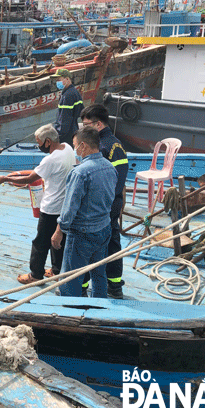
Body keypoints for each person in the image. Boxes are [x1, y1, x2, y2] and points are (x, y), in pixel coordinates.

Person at [0, 124, 75, 284]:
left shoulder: (50, 160)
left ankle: (35, 275)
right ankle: (56, 270)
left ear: (48, 141)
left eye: (39, 142)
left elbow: (29, 179)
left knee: (40, 242)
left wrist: (6, 178)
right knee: (58, 241)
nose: (38, 146)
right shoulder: (68, 148)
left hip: (51, 208)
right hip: (64, 206)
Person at [55, 127, 117, 298]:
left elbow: (69, 209)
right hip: (103, 228)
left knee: (71, 280)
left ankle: (70, 314)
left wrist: (59, 231)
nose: (75, 150)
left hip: (82, 233)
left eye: (75, 146)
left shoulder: (80, 172)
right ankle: (99, 309)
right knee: (99, 274)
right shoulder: (110, 168)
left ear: (82, 146)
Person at [79, 104, 128, 299]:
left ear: (98, 124)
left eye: (86, 125)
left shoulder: (102, 147)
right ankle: (114, 286)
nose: (83, 129)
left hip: (101, 206)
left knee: (87, 244)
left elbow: (103, 181)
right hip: (113, 203)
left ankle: (81, 287)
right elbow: (120, 181)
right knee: (112, 243)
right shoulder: (116, 144)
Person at [52, 68, 84, 145]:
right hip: (74, 129)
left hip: (66, 136)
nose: (57, 82)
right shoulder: (74, 92)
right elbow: (80, 110)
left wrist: (58, 136)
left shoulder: (67, 96)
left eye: (59, 79)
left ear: (67, 79)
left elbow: (64, 120)